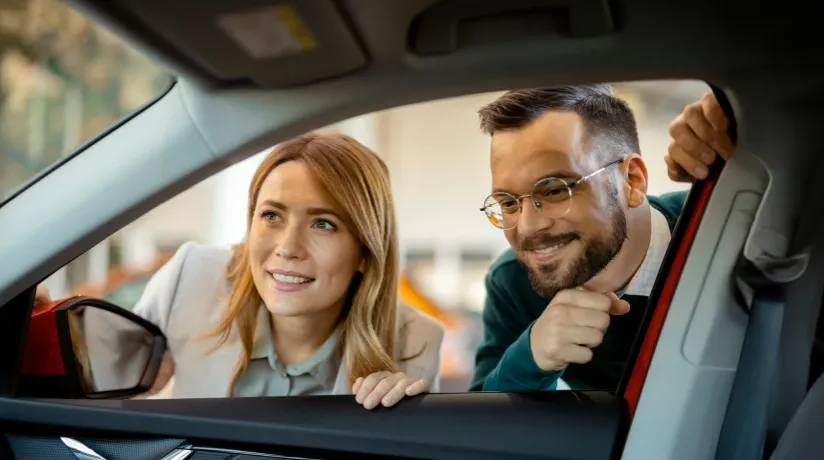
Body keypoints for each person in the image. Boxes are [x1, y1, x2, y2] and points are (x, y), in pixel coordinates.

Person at [37, 133, 445, 409]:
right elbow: (108, 383)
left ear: (365, 251)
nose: (287, 248)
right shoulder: (191, 276)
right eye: (271, 216)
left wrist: (404, 415)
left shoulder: (414, 342)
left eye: (323, 223)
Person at [469, 86, 735, 392]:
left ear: (632, 182)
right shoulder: (513, 281)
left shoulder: (723, 225)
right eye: (508, 202)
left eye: (555, 190)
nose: (528, 228)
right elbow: (484, 426)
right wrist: (529, 359)